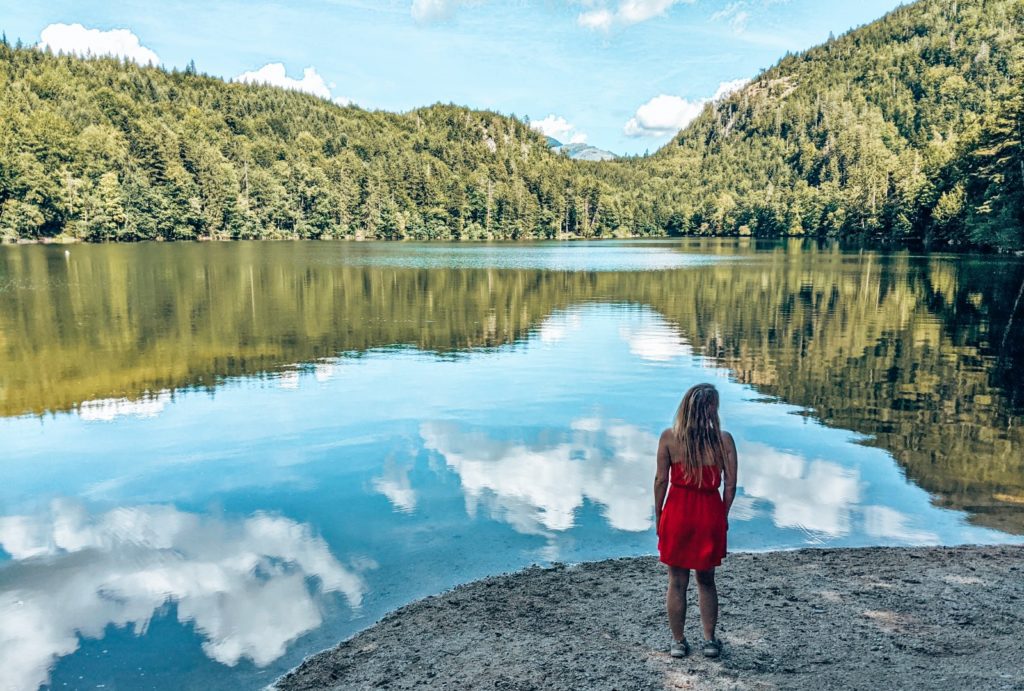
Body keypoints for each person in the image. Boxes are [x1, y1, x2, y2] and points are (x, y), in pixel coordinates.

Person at [654, 383, 738, 659]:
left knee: (676, 582)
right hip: (708, 512)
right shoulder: (723, 441)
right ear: (713, 410)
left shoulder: (669, 438)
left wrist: (659, 515)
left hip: (677, 512)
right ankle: (709, 641)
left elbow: (660, 481)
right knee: (707, 581)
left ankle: (678, 642)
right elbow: (730, 487)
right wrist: (721, 516)